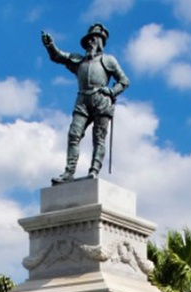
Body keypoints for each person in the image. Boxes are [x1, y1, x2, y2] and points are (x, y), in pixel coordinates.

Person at [41, 23, 130, 184]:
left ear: (101, 42)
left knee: (98, 138)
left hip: (101, 100)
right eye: (89, 39)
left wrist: (111, 91)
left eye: (94, 39)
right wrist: (50, 45)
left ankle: (94, 170)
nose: (90, 42)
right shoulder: (79, 61)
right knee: (74, 134)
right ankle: (69, 172)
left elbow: (123, 81)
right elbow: (58, 56)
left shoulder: (108, 60)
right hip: (82, 100)